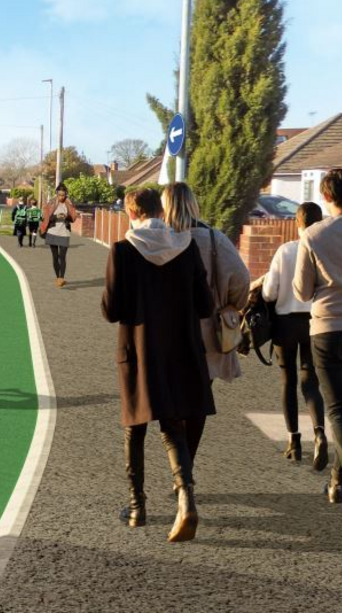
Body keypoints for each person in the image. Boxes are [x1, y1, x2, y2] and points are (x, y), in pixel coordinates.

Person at [102, 188, 214, 542]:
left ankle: (137, 507)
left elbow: (112, 311)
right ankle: (187, 499)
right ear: (159, 211)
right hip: (181, 348)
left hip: (138, 349)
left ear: (130, 212)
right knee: (173, 427)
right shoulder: (187, 245)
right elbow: (205, 305)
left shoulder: (122, 250)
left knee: (135, 428)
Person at [162, 182, 250, 461]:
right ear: (193, 205)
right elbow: (242, 279)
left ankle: (178, 467)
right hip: (208, 333)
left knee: (170, 401)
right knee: (198, 401)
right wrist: (230, 304)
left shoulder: (160, 240)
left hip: (168, 332)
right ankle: (187, 464)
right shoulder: (214, 239)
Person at [294, 168, 342, 514]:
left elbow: (301, 291)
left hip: (328, 329)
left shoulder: (314, 235)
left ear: (326, 197)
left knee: (340, 411)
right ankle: (336, 481)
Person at [258, 202, 327, 468]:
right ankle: (320, 432)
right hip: (314, 321)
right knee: (311, 380)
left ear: (297, 223)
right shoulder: (325, 250)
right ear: (320, 221)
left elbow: (269, 293)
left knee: (288, 381)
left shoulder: (285, 251)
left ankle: (294, 443)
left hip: (285, 323)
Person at [39, 183, 78, 288]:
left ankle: (61, 278)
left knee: (63, 257)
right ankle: (58, 278)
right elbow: (45, 218)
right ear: (56, 194)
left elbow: (73, 218)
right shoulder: (51, 204)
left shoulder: (69, 204)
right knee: (55, 257)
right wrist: (56, 216)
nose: (61, 197)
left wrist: (67, 216)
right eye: (60, 194)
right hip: (52, 233)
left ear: (66, 195)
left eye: (63, 195)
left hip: (64, 233)